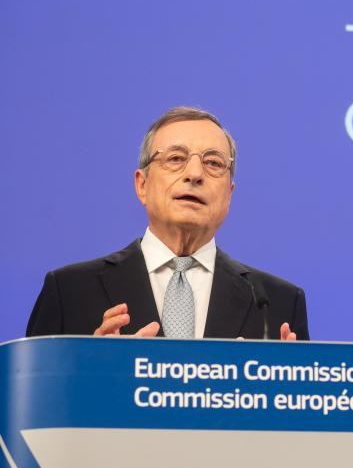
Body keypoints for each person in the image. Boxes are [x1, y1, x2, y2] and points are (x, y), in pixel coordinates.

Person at [26, 106, 309, 341]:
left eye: (213, 163)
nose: (195, 174)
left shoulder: (277, 304)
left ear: (229, 195)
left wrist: (285, 383)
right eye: (175, 158)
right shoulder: (70, 292)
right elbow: (33, 390)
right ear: (142, 185)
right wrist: (92, 366)